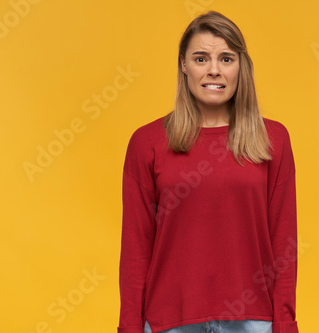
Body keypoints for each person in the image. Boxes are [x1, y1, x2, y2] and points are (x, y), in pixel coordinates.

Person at [118, 11, 299, 333]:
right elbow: (136, 246)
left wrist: (285, 324)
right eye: (201, 58)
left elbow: (283, 241)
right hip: (169, 321)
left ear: (241, 67)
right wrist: (129, 327)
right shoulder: (147, 143)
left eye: (226, 58)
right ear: (183, 65)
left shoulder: (273, 140)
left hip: (253, 321)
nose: (214, 70)